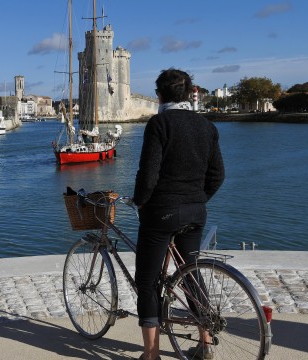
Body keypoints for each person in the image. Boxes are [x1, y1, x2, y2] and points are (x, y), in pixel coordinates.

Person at [133, 68, 225, 360]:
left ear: (159, 95)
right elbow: (218, 175)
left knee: (147, 282)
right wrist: (198, 199)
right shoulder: (207, 127)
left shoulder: (159, 124)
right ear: (190, 93)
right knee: (191, 276)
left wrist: (140, 202)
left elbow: (148, 174)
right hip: (196, 211)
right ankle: (205, 343)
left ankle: (151, 354)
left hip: (161, 212)